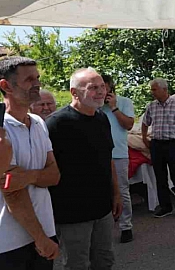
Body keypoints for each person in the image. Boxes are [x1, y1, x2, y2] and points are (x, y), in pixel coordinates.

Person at [47, 68, 122, 270]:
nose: (100, 92)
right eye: (93, 88)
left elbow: (109, 160)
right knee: (77, 264)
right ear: (74, 92)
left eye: (102, 87)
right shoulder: (57, 123)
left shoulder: (101, 119)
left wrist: (116, 194)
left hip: (102, 209)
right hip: (72, 213)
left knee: (105, 261)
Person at [0, 57, 61, 269]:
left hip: (45, 230)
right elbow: (12, 192)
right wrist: (41, 238)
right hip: (10, 241)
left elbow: (54, 175)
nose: (37, 84)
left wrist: (28, 176)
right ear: (5, 86)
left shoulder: (38, 123)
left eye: (37, 78)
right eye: (28, 79)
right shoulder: (2, 130)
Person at [142, 78, 175, 219]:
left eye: (155, 89)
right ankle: (165, 206)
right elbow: (145, 122)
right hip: (157, 144)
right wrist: (144, 138)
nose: (152, 92)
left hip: (173, 143)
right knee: (160, 177)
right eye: (152, 89)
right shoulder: (151, 106)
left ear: (164, 89)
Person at [100, 75, 136, 243]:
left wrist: (114, 108)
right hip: (98, 154)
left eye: (104, 87)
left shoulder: (124, 102)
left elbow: (128, 125)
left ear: (111, 88)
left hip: (118, 153)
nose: (101, 91)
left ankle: (126, 226)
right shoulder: (93, 105)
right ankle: (104, 227)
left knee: (121, 190)